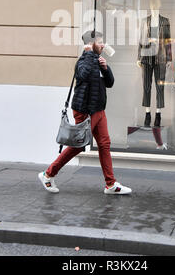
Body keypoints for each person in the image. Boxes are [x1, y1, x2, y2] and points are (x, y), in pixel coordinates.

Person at [38, 30, 132, 195]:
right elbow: (82, 74)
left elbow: (109, 83)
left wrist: (105, 67)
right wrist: (89, 54)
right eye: (100, 42)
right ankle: (48, 174)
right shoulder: (83, 60)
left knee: (104, 144)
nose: (103, 45)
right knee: (77, 146)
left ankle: (111, 185)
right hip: (85, 111)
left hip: (99, 110)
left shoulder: (97, 60)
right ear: (91, 44)